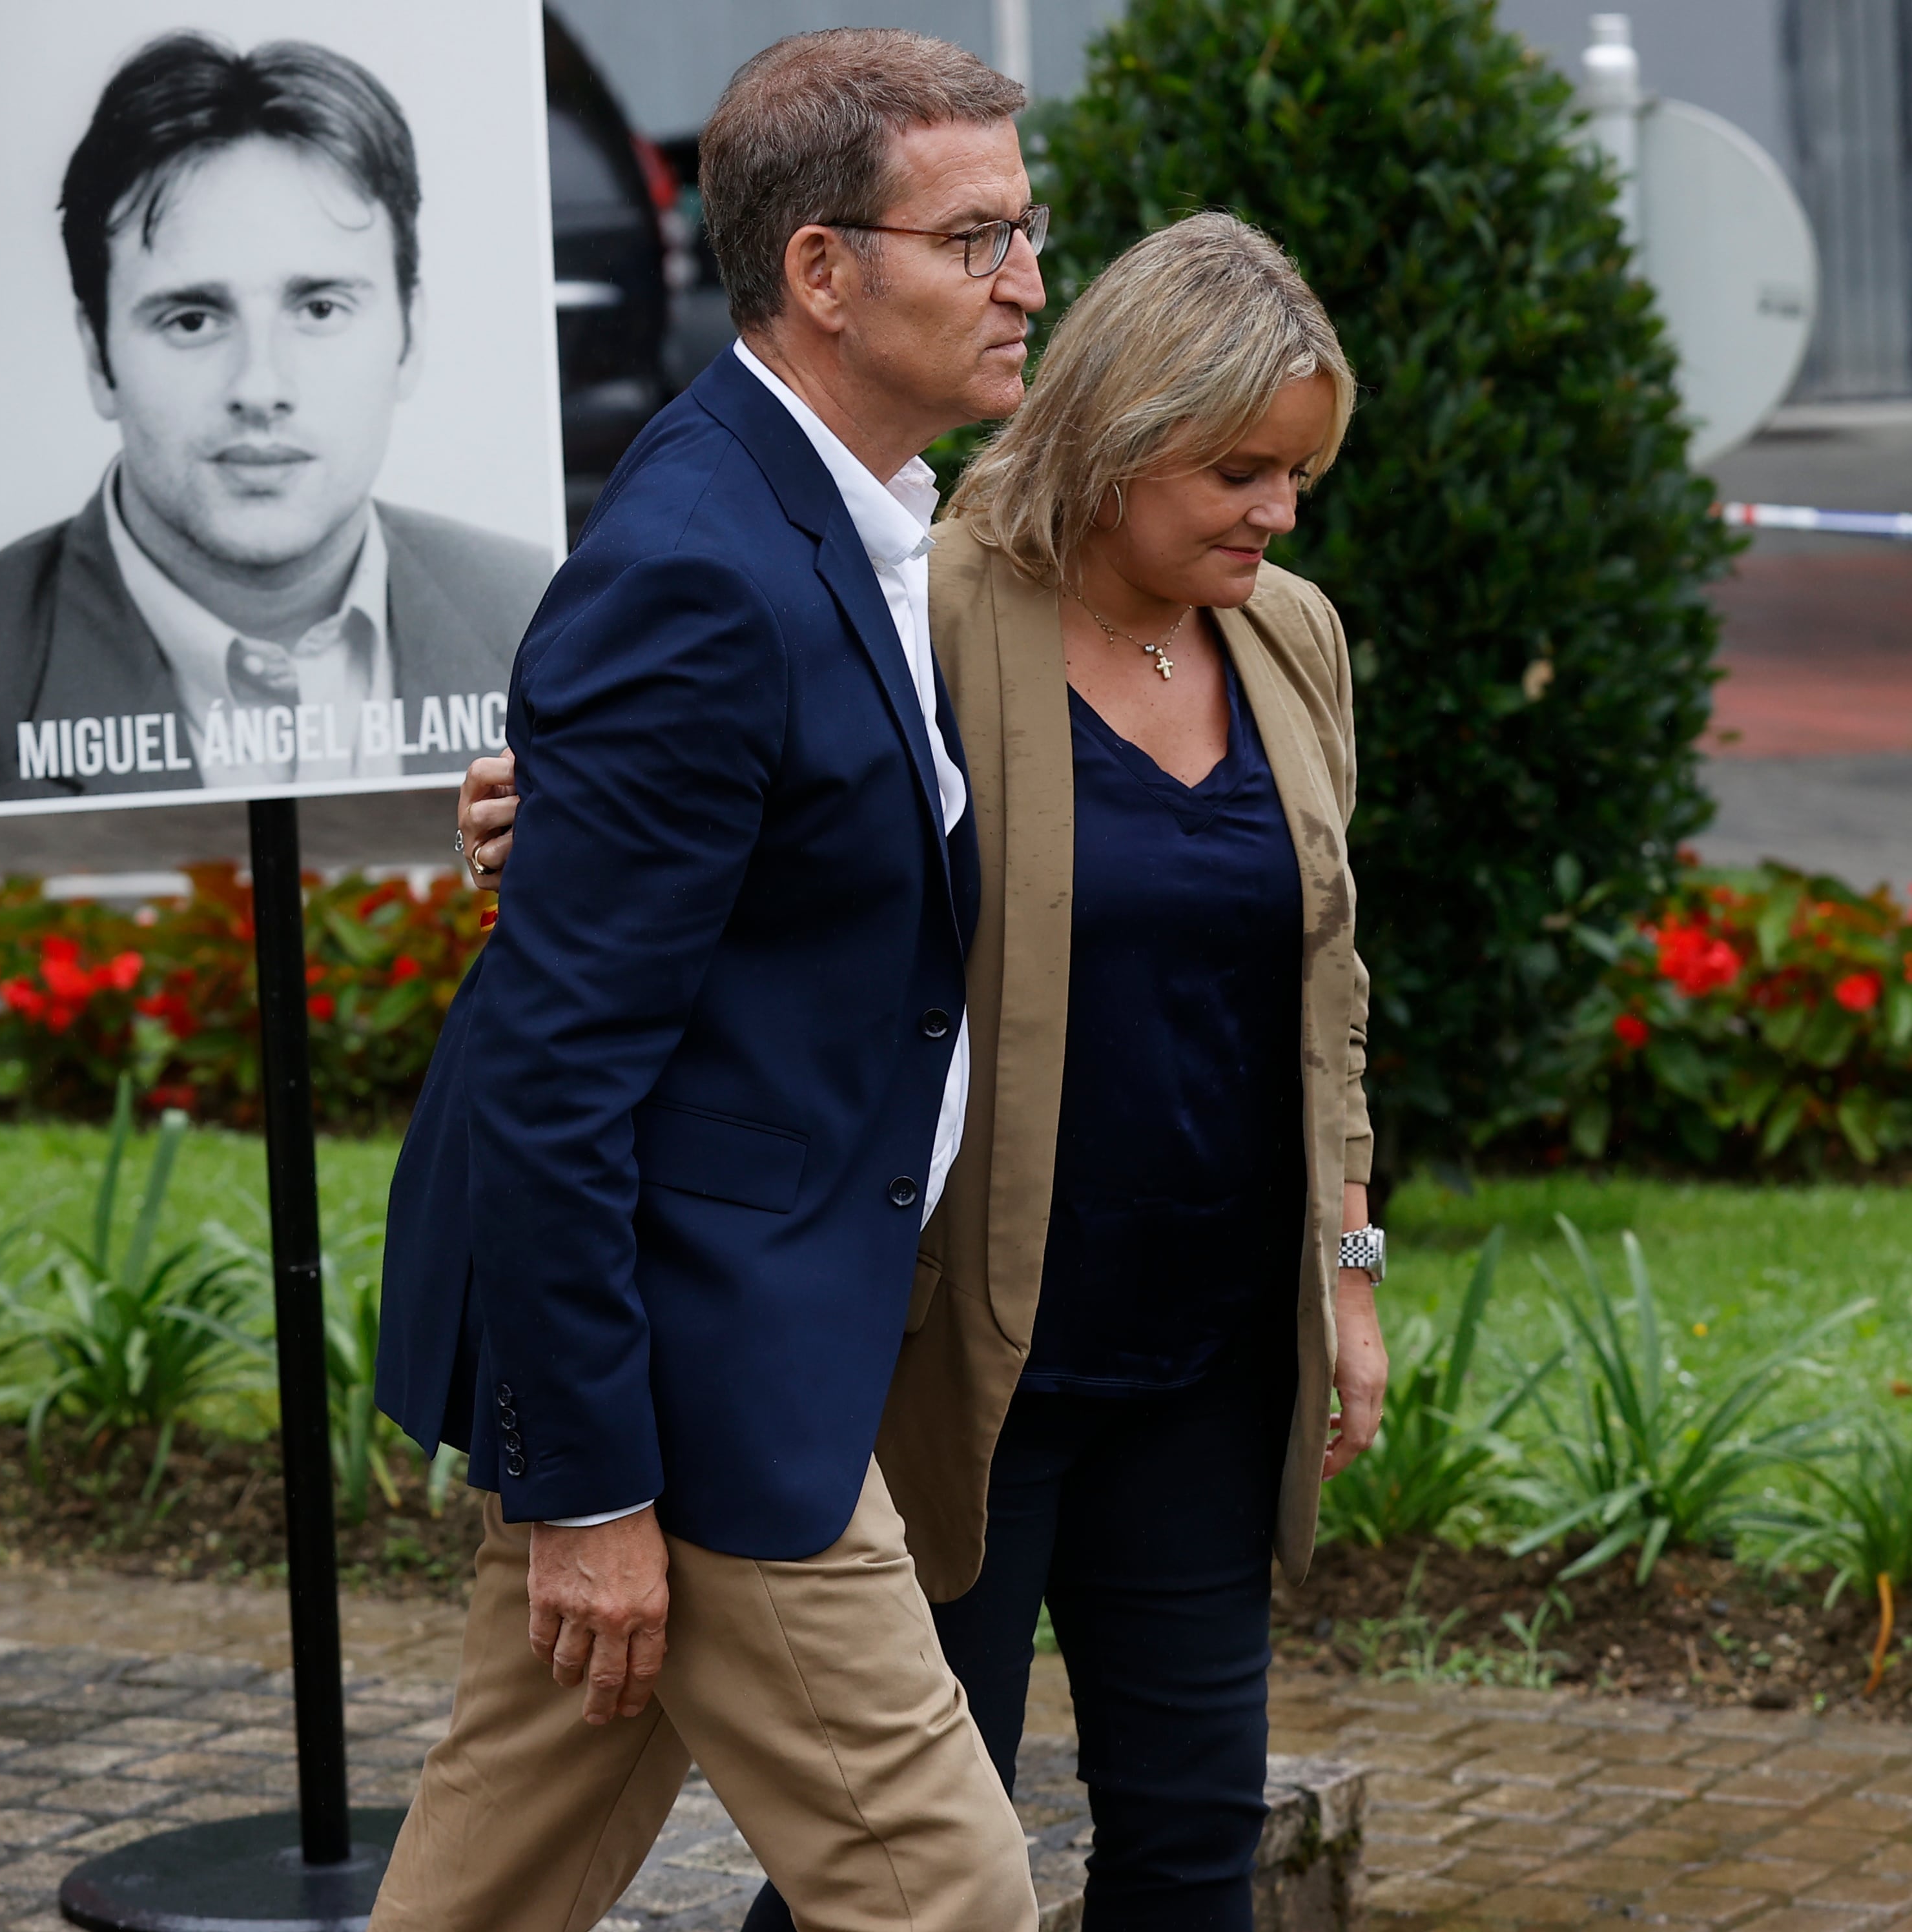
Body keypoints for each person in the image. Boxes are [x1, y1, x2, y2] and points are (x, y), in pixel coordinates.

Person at [460, 212, 1389, 1930]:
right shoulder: (932, 601)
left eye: (1299, 478)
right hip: (955, 1340)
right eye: (1239, 470)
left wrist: (1346, 1268)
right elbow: (751, 821)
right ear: (1121, 436)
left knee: (1193, 1847)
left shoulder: (1288, 639)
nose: (1274, 511)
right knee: (887, 1860)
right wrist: (556, 827)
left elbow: (1324, 984)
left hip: (1202, 1352)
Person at [369, 31, 1047, 1932]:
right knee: (946, 1888)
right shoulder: (702, 566)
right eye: (976, 234)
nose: (1025, 279)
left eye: (1025, 224)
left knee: (492, 1882)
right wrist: (587, 1493)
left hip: (730, 1320)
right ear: (821, 270)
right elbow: (554, 1066)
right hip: (699, 1357)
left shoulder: (853, 515)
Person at [0, 32, 553, 805]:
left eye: (318, 307)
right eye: (191, 319)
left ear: (409, 335)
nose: (260, 386)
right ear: (96, 356)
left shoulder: (535, 614)